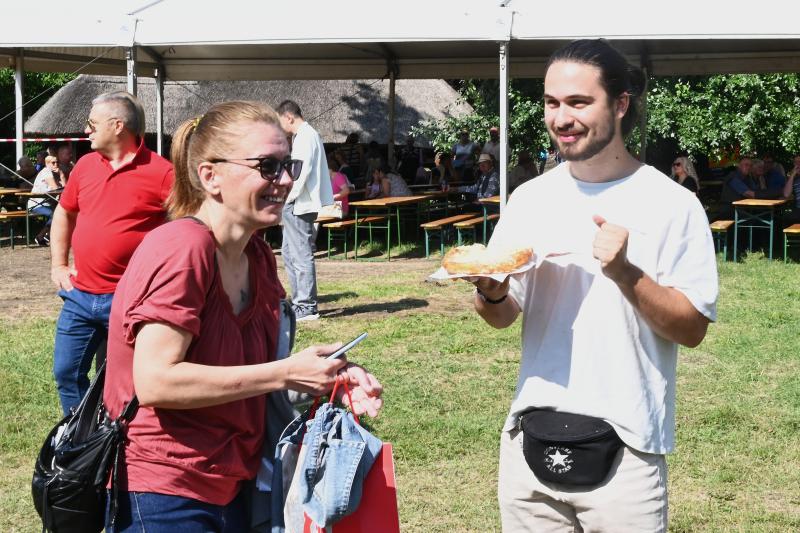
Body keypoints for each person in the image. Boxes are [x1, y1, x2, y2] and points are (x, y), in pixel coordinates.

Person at [468, 39, 717, 532]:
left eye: (579, 102)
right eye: (552, 103)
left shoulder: (672, 204)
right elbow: (502, 314)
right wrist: (491, 290)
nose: (562, 118)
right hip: (528, 445)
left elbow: (691, 329)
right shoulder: (530, 199)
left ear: (620, 104)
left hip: (627, 451)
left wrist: (626, 273)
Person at [102, 100, 383, 532]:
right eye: (267, 166)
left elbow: (250, 373)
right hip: (162, 490)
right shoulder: (181, 249)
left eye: (287, 165)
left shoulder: (258, 257)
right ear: (210, 176)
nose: (285, 180)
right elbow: (155, 381)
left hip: (235, 487)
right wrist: (286, 373)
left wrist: (327, 375)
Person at [49, 91, 174, 415]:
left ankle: (116, 434)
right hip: (79, 295)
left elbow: (188, 228)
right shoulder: (85, 166)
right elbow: (64, 212)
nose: (86, 130)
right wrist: (59, 265)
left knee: (124, 382)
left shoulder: (162, 173)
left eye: (92, 124)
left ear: (117, 126)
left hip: (130, 300)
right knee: (66, 372)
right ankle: (79, 435)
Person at [276, 100, 334, 322]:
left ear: (289, 117)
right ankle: (300, 300)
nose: (280, 127)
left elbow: (300, 174)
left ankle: (307, 306)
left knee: (300, 254)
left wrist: (287, 198)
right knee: (289, 252)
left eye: (280, 121)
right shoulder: (303, 136)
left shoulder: (306, 136)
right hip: (297, 202)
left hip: (299, 203)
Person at [27, 155, 63, 245]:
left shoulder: (53, 173)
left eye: (57, 162)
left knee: (63, 213)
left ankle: (47, 236)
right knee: (56, 215)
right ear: (47, 164)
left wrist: (62, 175)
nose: (56, 165)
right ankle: (42, 236)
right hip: (36, 204)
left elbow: (65, 188)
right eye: (53, 163)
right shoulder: (46, 172)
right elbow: (56, 188)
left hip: (46, 203)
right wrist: (61, 176)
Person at [783, 153, 800, 223]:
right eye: (796, 162)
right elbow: (786, 194)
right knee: (786, 218)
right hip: (798, 210)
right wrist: (792, 175)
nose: (798, 164)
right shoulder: (794, 179)